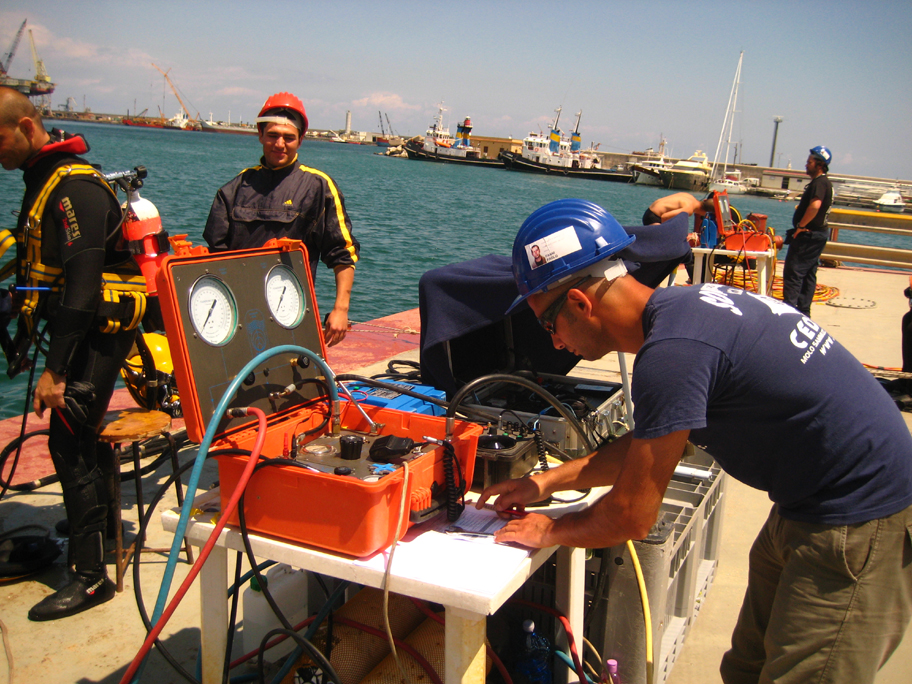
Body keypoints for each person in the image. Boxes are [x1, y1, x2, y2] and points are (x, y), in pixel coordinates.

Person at [477, 198, 912, 683]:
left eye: (547, 324)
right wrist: (545, 482)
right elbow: (652, 443)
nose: (555, 343)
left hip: (860, 517)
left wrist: (550, 530)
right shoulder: (687, 308)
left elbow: (631, 516)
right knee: (745, 669)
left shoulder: (672, 355)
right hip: (811, 500)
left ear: (580, 303)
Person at [0, 87, 148, 620]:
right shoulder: (44, 179)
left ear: (26, 126)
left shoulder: (73, 188)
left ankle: (90, 579)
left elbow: (83, 286)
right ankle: (102, 530)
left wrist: (55, 372)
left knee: (69, 442)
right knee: (81, 434)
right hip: (83, 329)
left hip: (98, 330)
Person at [203, 92, 360, 347]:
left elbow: (342, 253)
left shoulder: (318, 187)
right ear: (260, 135)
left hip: (293, 317)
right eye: (273, 135)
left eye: (289, 137)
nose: (279, 144)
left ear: (300, 140)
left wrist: (340, 310)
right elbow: (213, 259)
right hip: (237, 316)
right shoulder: (234, 189)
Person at [781, 146, 834, 317]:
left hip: (809, 236)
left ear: (819, 165)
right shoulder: (824, 183)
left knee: (794, 272)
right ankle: (804, 312)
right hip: (817, 235)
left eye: (809, 162)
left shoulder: (820, 183)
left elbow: (815, 206)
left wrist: (801, 226)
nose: (806, 164)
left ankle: (790, 312)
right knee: (809, 274)